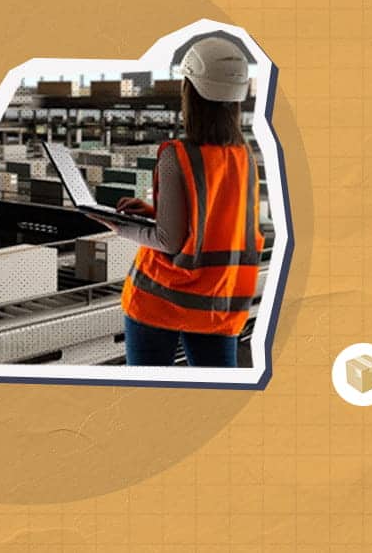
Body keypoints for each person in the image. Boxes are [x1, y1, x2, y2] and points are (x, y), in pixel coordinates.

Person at [90, 37, 264, 367]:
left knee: (148, 395)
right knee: (218, 393)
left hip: (159, 300)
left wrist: (120, 226)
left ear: (190, 93)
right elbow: (218, 223)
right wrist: (155, 213)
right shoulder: (245, 158)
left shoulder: (177, 155)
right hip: (218, 302)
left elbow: (168, 241)